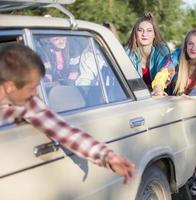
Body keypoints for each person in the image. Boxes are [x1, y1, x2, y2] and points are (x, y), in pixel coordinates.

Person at [0, 44, 135, 184]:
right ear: (9, 86)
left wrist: (107, 156)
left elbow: (64, 131)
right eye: (32, 88)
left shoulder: (27, 103)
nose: (35, 94)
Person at [152, 28, 196, 196]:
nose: (193, 48)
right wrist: (158, 88)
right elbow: (164, 72)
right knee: (173, 140)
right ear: (185, 44)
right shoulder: (176, 57)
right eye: (190, 44)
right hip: (176, 103)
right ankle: (180, 171)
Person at [125, 12, 169, 89]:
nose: (144, 34)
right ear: (135, 33)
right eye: (140, 30)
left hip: (159, 95)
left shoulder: (162, 51)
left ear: (154, 34)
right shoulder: (128, 52)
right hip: (136, 96)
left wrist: (157, 89)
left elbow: (165, 73)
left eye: (149, 30)